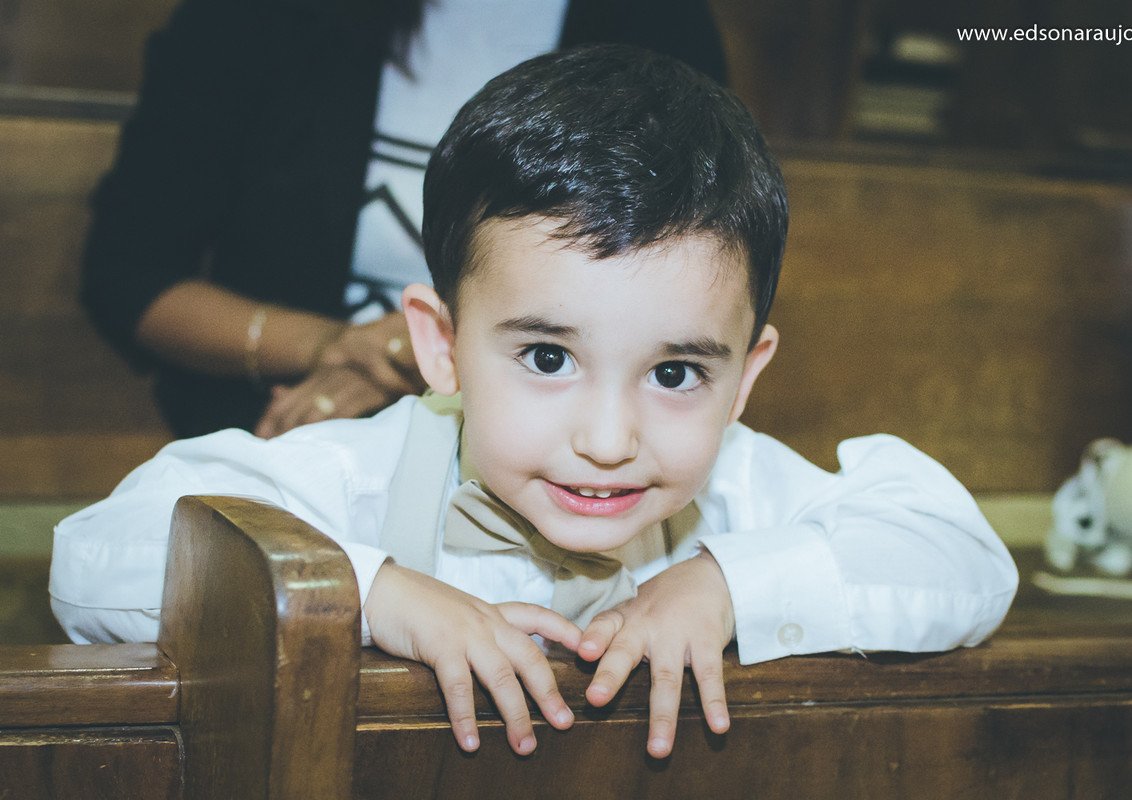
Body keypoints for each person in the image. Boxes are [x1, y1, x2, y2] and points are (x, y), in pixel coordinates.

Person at [53, 45, 1019, 760]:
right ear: (442, 345)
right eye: (549, 357)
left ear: (745, 379)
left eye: (676, 374)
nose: (608, 441)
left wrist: (724, 585)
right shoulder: (362, 468)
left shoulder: (743, 487)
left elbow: (965, 557)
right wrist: (379, 595)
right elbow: (100, 552)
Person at [79, 0, 727, 439]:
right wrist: (334, 348)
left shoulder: (659, 28)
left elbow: (684, 278)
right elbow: (129, 273)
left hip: (552, 443)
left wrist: (432, 357)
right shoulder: (260, 19)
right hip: (285, 430)